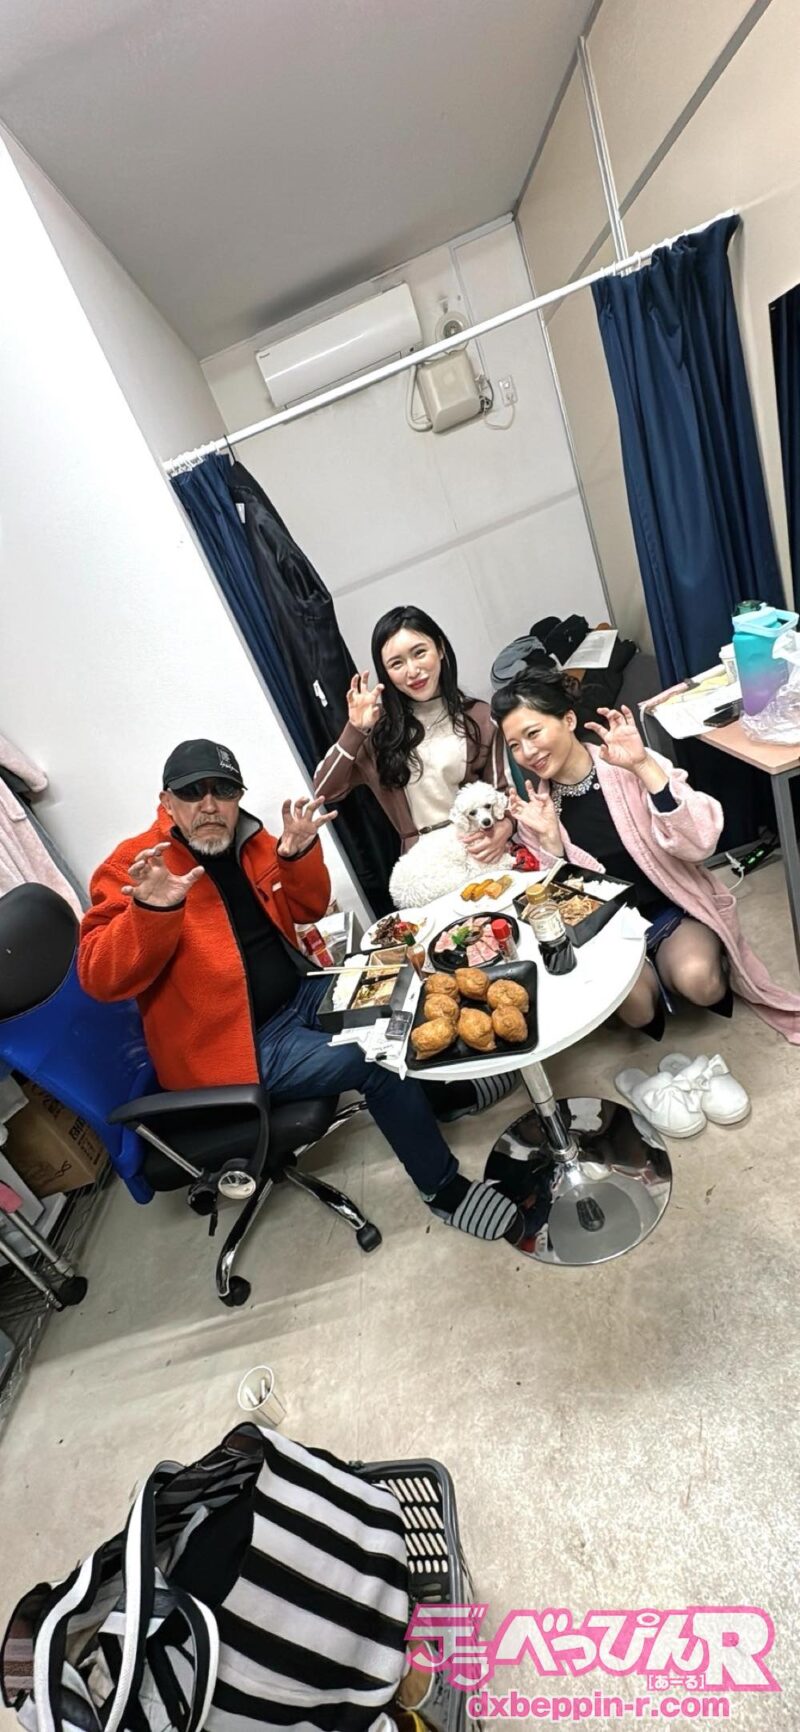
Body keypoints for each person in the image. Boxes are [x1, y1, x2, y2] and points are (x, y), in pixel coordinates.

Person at [79, 738, 529, 1245]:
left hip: (299, 992)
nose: (209, 805)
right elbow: (98, 978)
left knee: (397, 993)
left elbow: (310, 907)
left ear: (238, 797)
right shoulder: (135, 865)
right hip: (234, 1045)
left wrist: (295, 855)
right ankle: (441, 1188)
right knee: (372, 1059)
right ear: (166, 802)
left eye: (223, 790)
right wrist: (151, 912)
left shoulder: (250, 839)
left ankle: (440, 1099)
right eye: (191, 792)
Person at [492, 672, 800, 1042]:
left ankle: (695, 957)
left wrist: (643, 767)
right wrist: (551, 844)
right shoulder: (539, 812)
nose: (527, 752)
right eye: (515, 745)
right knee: (637, 1010)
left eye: (533, 733)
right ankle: (647, 981)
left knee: (701, 983)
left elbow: (702, 842)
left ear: (568, 720)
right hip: (607, 934)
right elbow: (561, 912)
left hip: (670, 911)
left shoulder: (628, 764)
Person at [314, 606, 511, 864]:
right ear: (386, 673)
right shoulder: (378, 730)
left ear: (440, 648)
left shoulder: (479, 717)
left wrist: (507, 827)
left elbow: (501, 794)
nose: (412, 670)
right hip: (421, 866)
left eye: (419, 653)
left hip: (479, 851)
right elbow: (324, 790)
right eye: (396, 663)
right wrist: (355, 730)